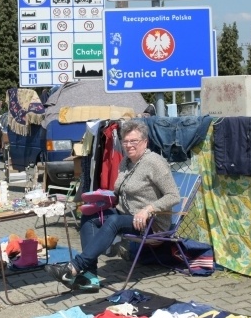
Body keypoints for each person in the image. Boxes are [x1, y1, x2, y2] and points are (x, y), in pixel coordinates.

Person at [45, 119, 180, 291]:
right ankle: (90, 277)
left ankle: (73, 267)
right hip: (126, 215)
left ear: (145, 142)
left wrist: (148, 210)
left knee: (114, 221)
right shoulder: (126, 162)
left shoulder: (154, 162)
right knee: (89, 215)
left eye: (134, 141)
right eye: (126, 141)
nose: (129, 145)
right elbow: (120, 192)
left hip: (151, 222)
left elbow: (173, 196)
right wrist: (100, 198)